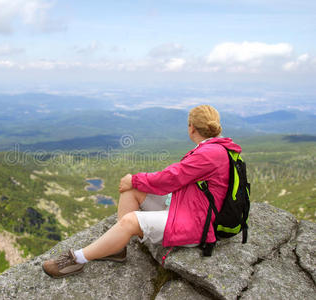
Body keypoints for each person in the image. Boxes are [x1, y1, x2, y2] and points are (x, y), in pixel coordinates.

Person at [42, 104, 242, 278]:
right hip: (190, 208)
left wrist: (134, 178)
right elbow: (178, 178)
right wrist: (135, 183)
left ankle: (77, 259)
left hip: (197, 223)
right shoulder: (217, 148)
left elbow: (171, 178)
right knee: (132, 191)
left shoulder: (209, 154)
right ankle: (117, 248)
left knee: (131, 220)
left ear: (191, 128)